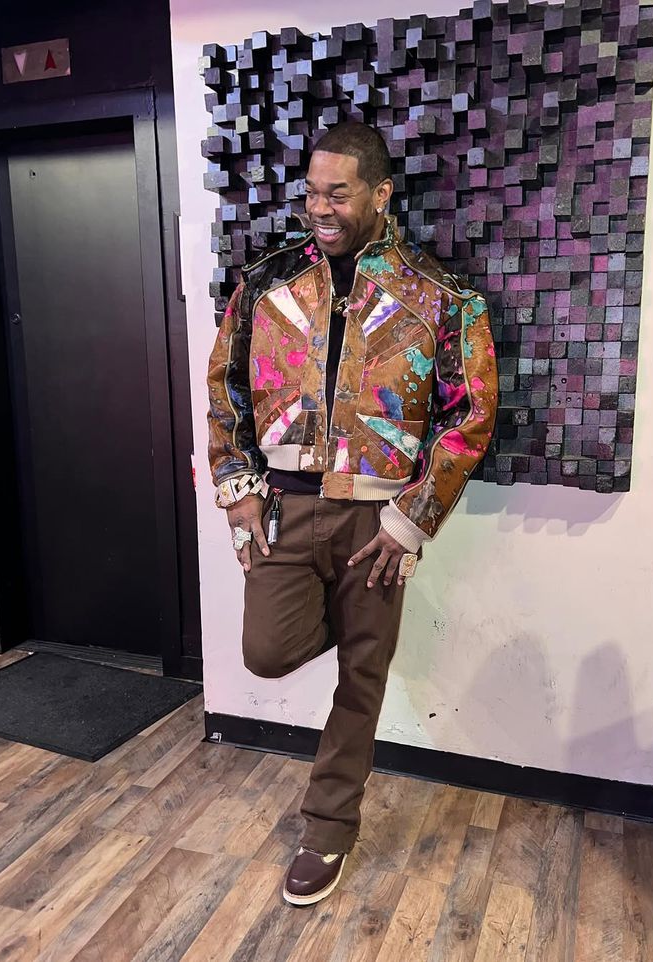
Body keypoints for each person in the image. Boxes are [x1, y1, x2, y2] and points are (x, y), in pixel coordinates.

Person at [207, 121, 498, 906]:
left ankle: (328, 830)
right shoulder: (265, 282)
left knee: (361, 679)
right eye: (311, 192)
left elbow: (471, 413)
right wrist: (237, 488)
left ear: (380, 193)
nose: (320, 208)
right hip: (285, 505)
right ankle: (355, 614)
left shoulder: (439, 296)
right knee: (266, 652)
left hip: (378, 524)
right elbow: (224, 388)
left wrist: (411, 520)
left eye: (337, 193)